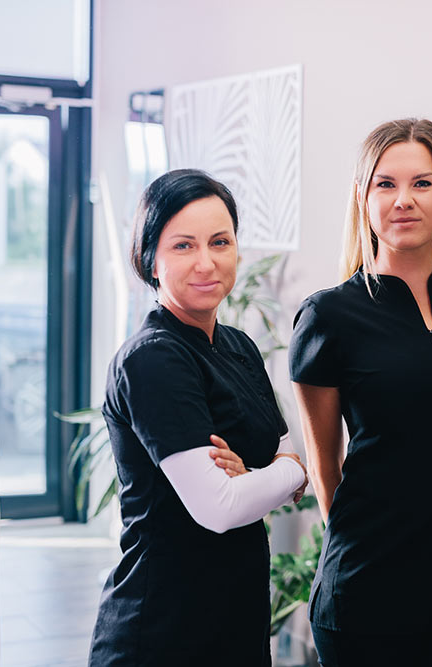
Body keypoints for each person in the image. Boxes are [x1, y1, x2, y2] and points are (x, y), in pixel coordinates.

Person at [288, 119, 432, 667]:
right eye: (385, 184)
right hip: (372, 598)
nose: (403, 201)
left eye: (422, 183)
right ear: (363, 199)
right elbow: (327, 470)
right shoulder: (330, 316)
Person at [89, 169, 308, 666]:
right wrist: (292, 471)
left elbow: (276, 448)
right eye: (184, 245)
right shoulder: (152, 358)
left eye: (220, 241)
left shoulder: (238, 347)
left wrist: (258, 474)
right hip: (161, 628)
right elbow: (221, 507)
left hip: (236, 618)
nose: (207, 262)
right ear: (150, 258)